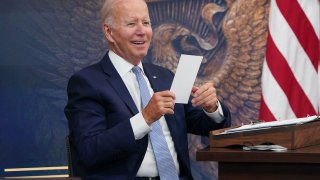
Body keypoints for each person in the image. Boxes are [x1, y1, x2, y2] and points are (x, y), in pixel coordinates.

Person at [64, 0, 231, 179]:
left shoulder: (165, 76)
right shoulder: (87, 83)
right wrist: (145, 118)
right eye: (131, 23)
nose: (142, 31)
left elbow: (204, 125)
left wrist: (212, 108)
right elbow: (89, 151)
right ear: (109, 32)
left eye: (146, 23)